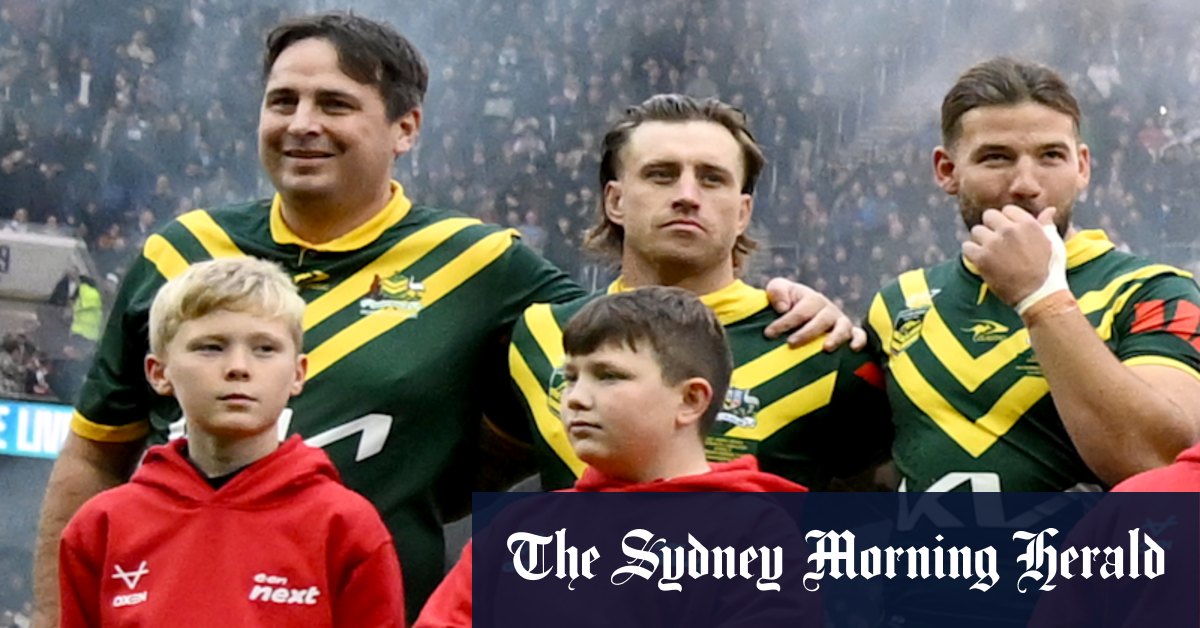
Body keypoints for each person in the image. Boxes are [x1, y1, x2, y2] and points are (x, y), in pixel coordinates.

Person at [33, 13, 852, 624]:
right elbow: (90, 456)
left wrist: (790, 300)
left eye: (335, 103)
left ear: (405, 128)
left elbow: (654, 329)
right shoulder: (182, 253)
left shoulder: (483, 267)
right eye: (283, 99)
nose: (303, 123)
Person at [505, 94, 891, 491]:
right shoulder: (537, 335)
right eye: (661, 174)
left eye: (712, 178)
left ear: (743, 213)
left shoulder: (819, 349)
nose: (687, 195)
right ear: (615, 201)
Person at [864, 57, 1200, 492]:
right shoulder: (899, 302)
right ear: (948, 171)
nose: (1026, 183)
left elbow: (1161, 463)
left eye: (1050, 156)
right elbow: (853, 466)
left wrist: (1040, 298)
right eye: (996, 158)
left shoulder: (1152, 292)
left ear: (1082, 167)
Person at [416, 287, 810, 627]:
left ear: (690, 399)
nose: (575, 398)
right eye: (571, 377)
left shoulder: (753, 536)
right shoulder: (518, 529)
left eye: (608, 376)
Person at [57, 258, 405, 627]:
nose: (238, 366)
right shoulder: (103, 526)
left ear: (298, 374)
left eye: (265, 349)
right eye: (211, 347)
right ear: (159, 373)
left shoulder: (345, 526)